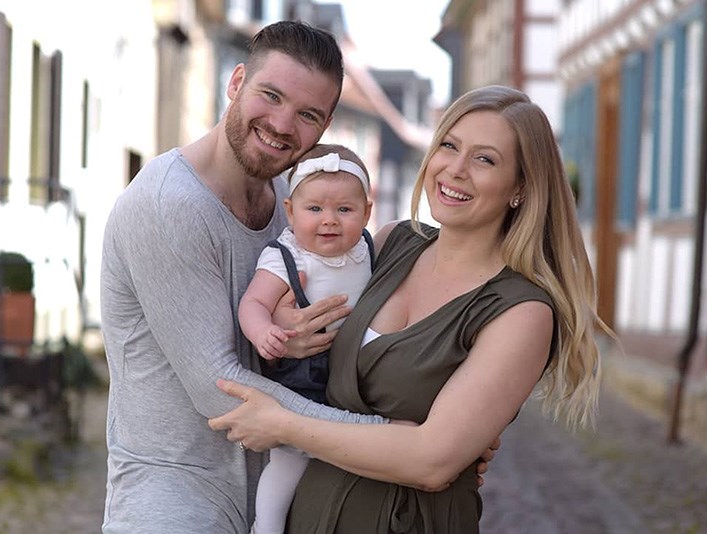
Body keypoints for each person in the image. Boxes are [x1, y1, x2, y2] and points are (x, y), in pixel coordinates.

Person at [99, 21, 496, 534]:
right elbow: (222, 392)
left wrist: (455, 429)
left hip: (280, 502)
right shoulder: (168, 206)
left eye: (307, 114)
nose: (283, 124)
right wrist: (394, 439)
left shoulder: (300, 205)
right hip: (176, 504)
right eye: (271, 95)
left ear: (324, 128)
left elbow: (368, 324)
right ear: (236, 81)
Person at [209, 84, 611, 533]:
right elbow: (313, 300)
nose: (455, 170)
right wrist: (289, 324)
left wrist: (284, 426)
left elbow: (432, 461)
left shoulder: (521, 312)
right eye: (449, 146)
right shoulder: (390, 243)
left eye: (484, 159)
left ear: (520, 186)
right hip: (311, 511)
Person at [239, 143, 374, 534]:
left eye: (344, 210)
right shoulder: (288, 257)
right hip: (305, 376)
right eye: (314, 209)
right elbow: (253, 303)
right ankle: (266, 527)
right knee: (288, 462)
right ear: (291, 211)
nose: (329, 221)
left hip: (353, 374)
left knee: (343, 462)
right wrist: (265, 331)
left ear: (366, 211)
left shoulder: (368, 248)